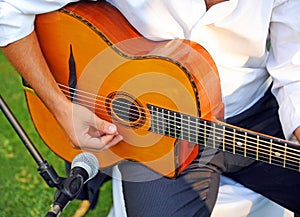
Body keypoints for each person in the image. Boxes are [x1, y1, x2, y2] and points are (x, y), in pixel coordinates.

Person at [1, 0, 300, 216]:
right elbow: (9, 10)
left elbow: (294, 71)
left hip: (253, 116)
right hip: (150, 134)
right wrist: (61, 106)